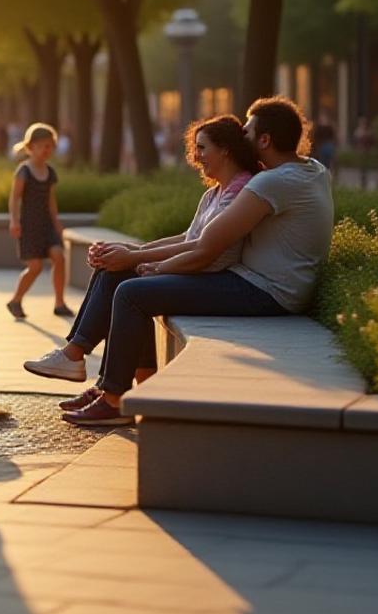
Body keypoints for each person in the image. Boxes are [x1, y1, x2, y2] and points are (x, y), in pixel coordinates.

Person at [55, 97, 335, 426]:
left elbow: (206, 246)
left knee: (133, 293)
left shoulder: (271, 182)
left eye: (246, 129)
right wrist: (139, 258)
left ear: (265, 140)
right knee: (128, 282)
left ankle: (115, 399)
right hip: (259, 283)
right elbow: (197, 239)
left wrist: (152, 266)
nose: (239, 133)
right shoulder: (312, 170)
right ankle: (115, 386)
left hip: (265, 291)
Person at [24, 116, 261, 401]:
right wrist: (132, 251)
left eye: (202, 148)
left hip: (207, 273)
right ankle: (91, 370)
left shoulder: (241, 192)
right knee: (111, 270)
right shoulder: (215, 193)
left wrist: (139, 258)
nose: (196, 157)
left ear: (225, 149)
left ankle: (93, 373)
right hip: (196, 267)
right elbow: (187, 237)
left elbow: (202, 247)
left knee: (125, 285)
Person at [5, 123, 69, 320]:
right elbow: (15, 198)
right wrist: (14, 221)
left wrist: (56, 222)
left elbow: (51, 200)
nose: (47, 150)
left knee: (59, 256)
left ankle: (59, 303)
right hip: (29, 225)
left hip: (46, 224)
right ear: (31, 147)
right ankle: (15, 300)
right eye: (43, 146)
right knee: (36, 267)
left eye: (50, 146)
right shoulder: (23, 171)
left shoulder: (50, 172)